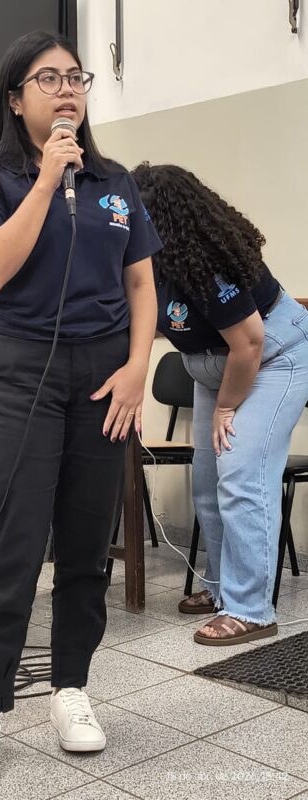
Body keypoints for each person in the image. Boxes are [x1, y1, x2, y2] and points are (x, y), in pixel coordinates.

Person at [0, 31, 162, 788]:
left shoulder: (115, 182)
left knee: (85, 543)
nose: (68, 88)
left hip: (104, 376)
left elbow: (141, 284)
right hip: (21, 370)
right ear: (15, 99)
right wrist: (44, 181)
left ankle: (71, 687)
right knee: (14, 544)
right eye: (49, 78)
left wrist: (137, 369)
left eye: (76, 76)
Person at [131, 162, 308, 647]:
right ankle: (221, 588)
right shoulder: (148, 265)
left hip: (272, 357)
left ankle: (251, 610)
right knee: (208, 484)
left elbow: (249, 342)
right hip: (214, 366)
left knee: (241, 474)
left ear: (166, 221)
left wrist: (227, 408)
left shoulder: (206, 261)